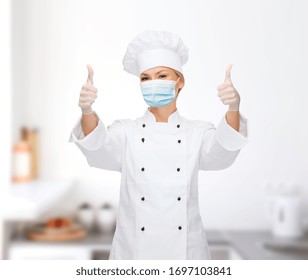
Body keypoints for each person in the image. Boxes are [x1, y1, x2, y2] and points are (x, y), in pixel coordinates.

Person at [68, 30, 248, 260]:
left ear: (180, 81)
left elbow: (223, 153)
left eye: (162, 75)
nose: (153, 83)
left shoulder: (197, 132)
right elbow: (97, 147)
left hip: (186, 254)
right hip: (134, 254)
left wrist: (233, 108)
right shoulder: (127, 131)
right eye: (145, 78)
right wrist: (87, 110)